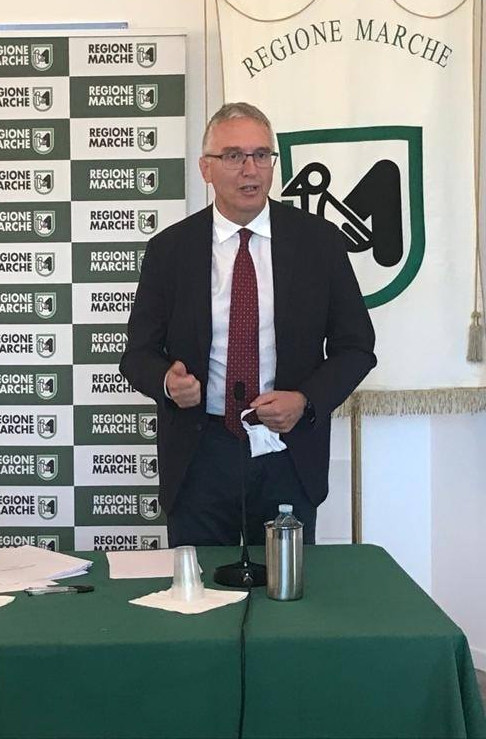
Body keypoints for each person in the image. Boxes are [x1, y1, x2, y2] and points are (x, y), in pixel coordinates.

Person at [120, 102, 376, 547]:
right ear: (206, 168)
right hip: (200, 454)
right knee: (199, 586)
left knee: (286, 586)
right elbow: (137, 355)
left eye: (261, 155)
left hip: (287, 451)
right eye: (234, 156)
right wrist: (167, 382)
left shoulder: (319, 243)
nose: (250, 169)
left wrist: (305, 401)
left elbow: (356, 347)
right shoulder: (170, 250)